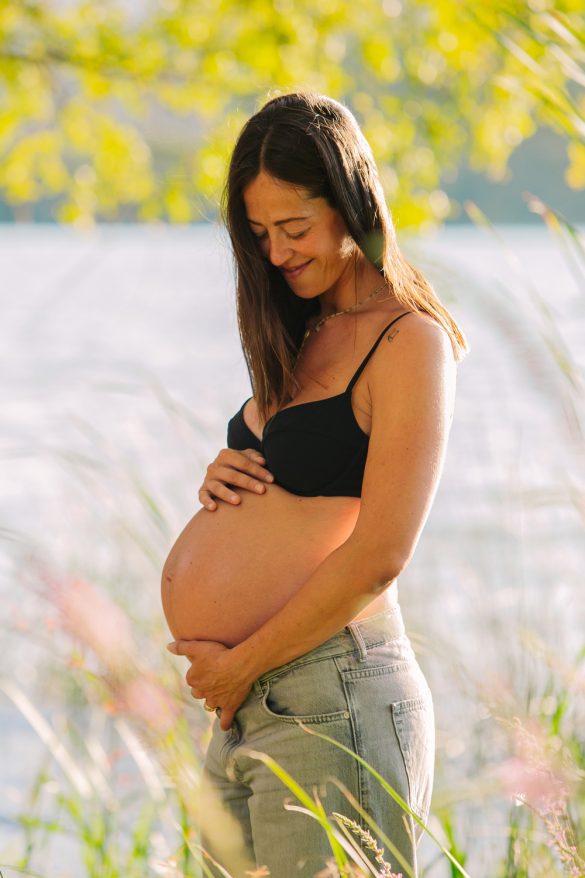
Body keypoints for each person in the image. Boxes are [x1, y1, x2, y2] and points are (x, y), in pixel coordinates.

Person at [163, 90, 469, 878]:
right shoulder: (302, 331)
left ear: (349, 200)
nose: (275, 253)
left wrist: (240, 663)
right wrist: (226, 471)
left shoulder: (408, 342)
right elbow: (297, 492)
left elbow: (379, 555)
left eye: (293, 228)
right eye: (259, 234)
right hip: (251, 709)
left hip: (333, 695)